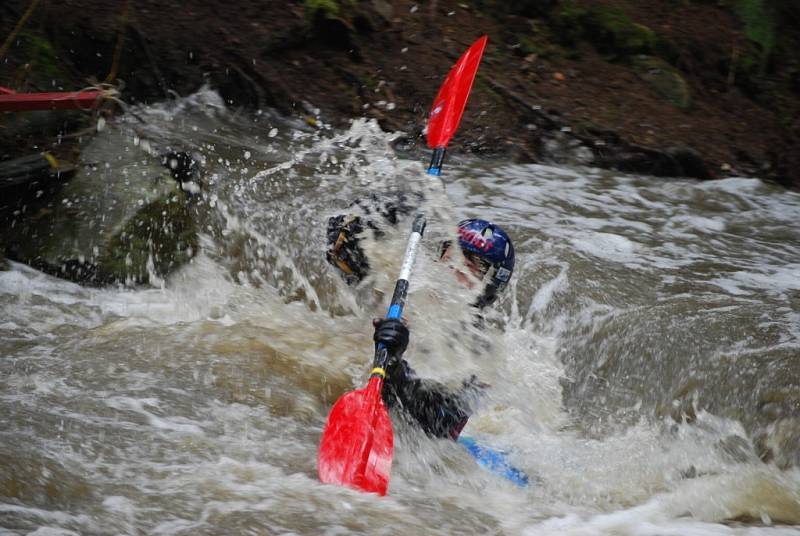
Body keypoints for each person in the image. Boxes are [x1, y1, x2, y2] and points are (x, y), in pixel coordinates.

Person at [327, 208, 515, 440]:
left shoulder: (477, 351)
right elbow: (354, 282)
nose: (456, 267)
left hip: (413, 442)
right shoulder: (401, 290)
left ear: (490, 285)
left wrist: (395, 367)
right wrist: (351, 246)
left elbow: (439, 425)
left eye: (474, 265)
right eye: (453, 253)